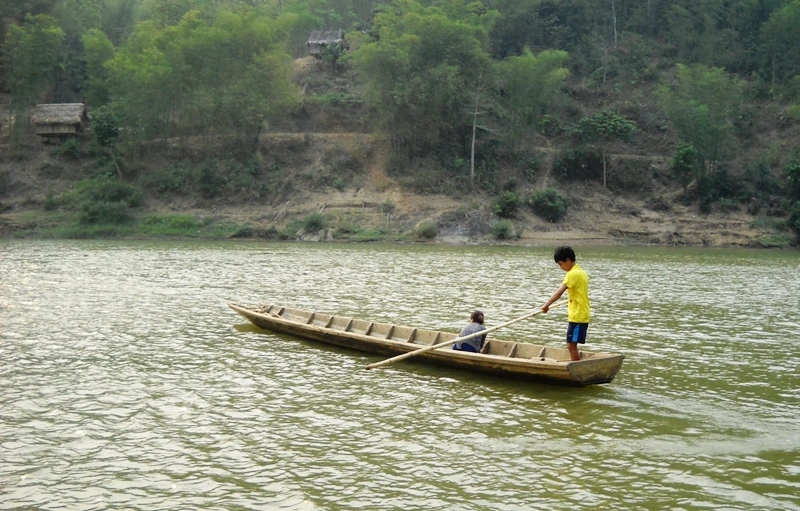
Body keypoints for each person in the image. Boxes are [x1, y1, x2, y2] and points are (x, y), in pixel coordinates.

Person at [541, 246, 590, 361]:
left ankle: (576, 367)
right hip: (579, 314)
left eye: (561, 264)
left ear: (568, 260)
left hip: (578, 316)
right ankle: (576, 364)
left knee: (571, 345)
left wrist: (546, 305)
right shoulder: (581, 272)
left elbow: (559, 292)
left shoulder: (572, 274)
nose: (561, 267)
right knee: (572, 344)